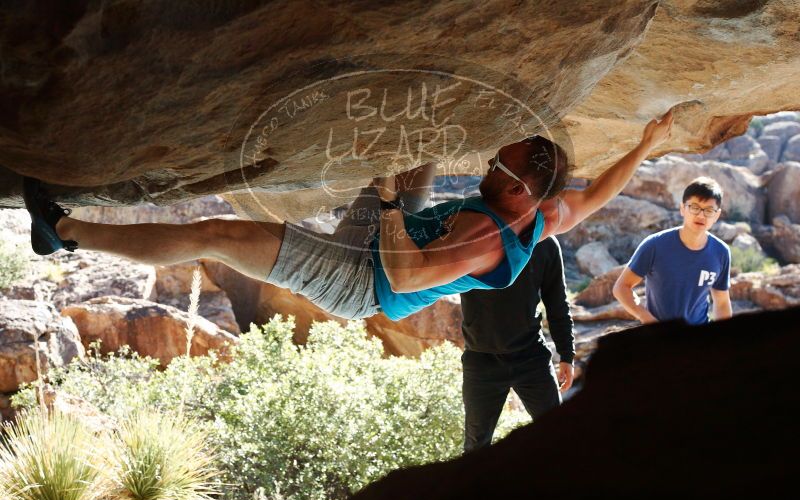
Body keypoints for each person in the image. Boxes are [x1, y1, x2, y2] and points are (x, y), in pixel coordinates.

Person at [23, 111, 673, 322]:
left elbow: (412, 276)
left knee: (217, 235)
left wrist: (388, 200)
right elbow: (597, 196)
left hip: (366, 282)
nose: (486, 166)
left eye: (495, 166)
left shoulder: (484, 237)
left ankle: (64, 232)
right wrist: (645, 143)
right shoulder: (545, 208)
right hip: (384, 246)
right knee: (419, 150)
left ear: (516, 191)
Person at [460, 235, 574, 452]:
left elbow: (557, 301)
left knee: (558, 434)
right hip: (482, 361)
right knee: (476, 445)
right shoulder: (474, 235)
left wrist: (566, 354)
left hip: (531, 357)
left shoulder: (545, 242)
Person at [612, 177, 733, 325]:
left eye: (708, 210)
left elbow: (721, 302)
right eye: (694, 207)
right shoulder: (655, 245)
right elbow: (621, 287)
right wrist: (648, 320)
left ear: (717, 215)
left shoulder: (720, 252)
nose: (701, 215)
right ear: (682, 208)